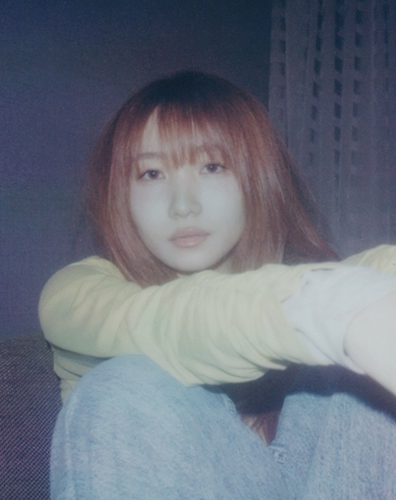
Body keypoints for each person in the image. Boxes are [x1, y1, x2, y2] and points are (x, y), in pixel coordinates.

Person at [39, 71, 396, 499]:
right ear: (121, 194)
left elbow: (372, 270)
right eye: (151, 174)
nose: (183, 206)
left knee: (356, 381)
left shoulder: (297, 274)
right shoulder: (76, 297)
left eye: (212, 167)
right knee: (124, 382)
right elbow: (175, 321)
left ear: (257, 179)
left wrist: (364, 299)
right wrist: (334, 311)